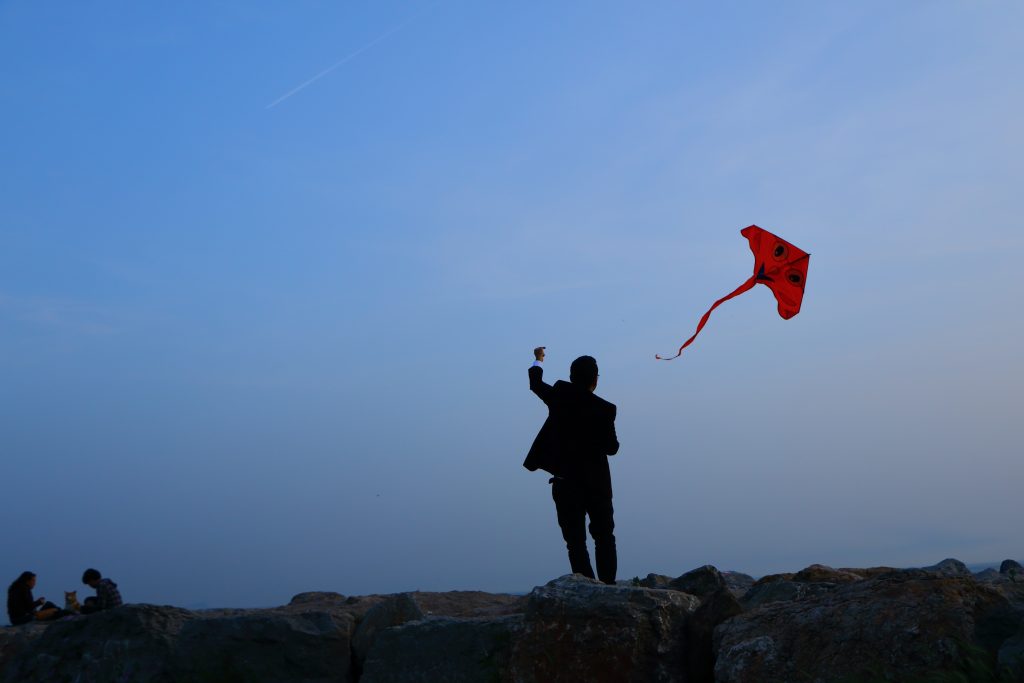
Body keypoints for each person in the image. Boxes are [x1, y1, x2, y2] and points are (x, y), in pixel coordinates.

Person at [524, 347, 620, 584]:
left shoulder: (560, 395)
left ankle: (587, 587)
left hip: (566, 482)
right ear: (595, 379)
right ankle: (608, 586)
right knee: (604, 537)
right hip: (597, 483)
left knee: (575, 542)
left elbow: (536, 384)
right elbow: (612, 448)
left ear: (571, 376)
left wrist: (538, 360)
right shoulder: (605, 409)